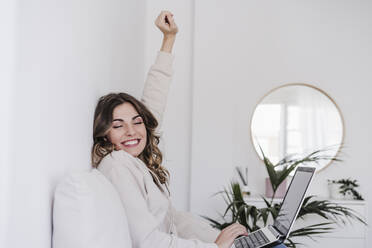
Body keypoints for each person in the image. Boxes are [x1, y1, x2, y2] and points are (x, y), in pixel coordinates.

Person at [91, 10, 285, 248]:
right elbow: (148, 241)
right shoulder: (118, 166)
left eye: (137, 121)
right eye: (118, 126)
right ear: (105, 134)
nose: (132, 131)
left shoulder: (135, 160)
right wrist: (215, 247)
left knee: (275, 245)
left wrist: (219, 237)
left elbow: (174, 219)